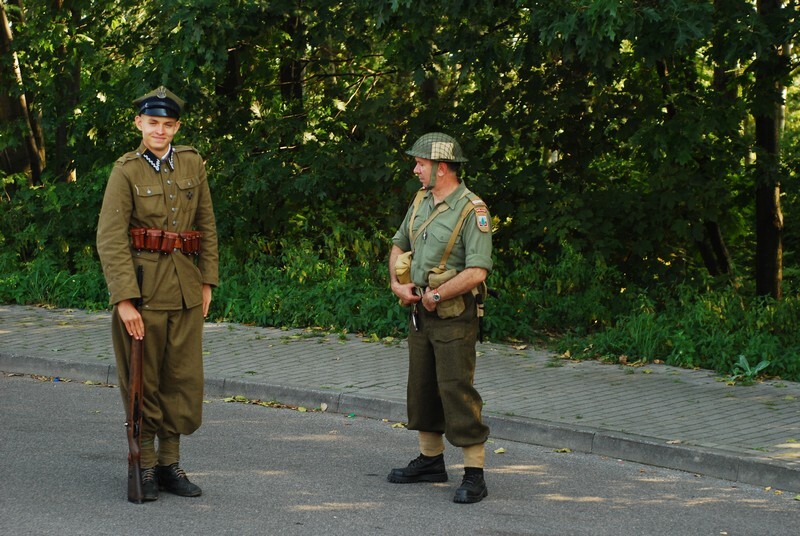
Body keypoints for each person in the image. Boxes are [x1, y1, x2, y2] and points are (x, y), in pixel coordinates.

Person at [96, 86, 219, 501]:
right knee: (143, 384)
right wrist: (124, 301)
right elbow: (110, 239)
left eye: (167, 124)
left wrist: (206, 281)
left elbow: (206, 225)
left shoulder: (192, 162)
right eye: (153, 123)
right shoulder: (126, 171)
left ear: (177, 127)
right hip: (144, 294)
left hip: (185, 291)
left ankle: (170, 465)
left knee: (181, 381)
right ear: (139, 124)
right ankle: (145, 467)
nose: (160, 131)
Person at [387, 132, 493, 504]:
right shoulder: (421, 200)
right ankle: (430, 460)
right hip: (420, 311)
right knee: (421, 387)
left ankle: (475, 474)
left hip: (453, 315)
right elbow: (399, 244)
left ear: (442, 167)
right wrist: (396, 284)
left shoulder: (472, 210)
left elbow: (478, 270)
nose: (416, 170)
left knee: (456, 389)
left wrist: (437, 294)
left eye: (421, 164)